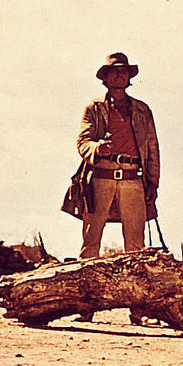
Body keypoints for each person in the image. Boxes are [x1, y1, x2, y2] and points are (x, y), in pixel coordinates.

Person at [74, 52, 160, 323]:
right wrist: (98, 148)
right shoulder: (93, 108)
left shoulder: (142, 110)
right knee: (91, 243)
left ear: (129, 77)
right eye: (115, 71)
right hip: (101, 176)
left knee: (136, 247)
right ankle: (85, 307)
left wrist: (153, 182)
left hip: (134, 179)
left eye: (124, 71)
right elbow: (82, 141)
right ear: (106, 77)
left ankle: (138, 310)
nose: (120, 75)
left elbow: (153, 148)